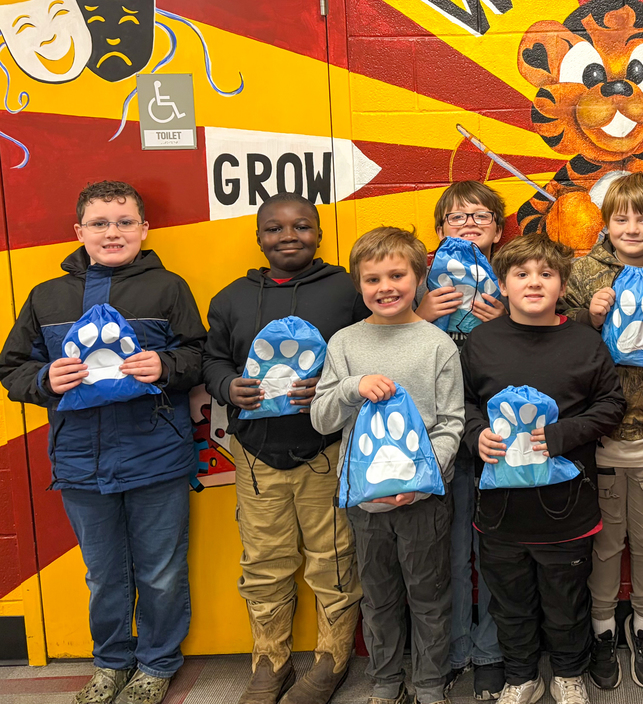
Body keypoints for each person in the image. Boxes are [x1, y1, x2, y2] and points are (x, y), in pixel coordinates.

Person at [0, 181, 206, 704]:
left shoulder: (168, 287)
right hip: (78, 460)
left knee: (161, 571)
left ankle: (158, 664)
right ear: (79, 232)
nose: (112, 232)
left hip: (155, 454)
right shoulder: (47, 296)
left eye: (123, 222)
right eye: (100, 223)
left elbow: (200, 356)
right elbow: (12, 369)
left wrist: (166, 365)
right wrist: (47, 379)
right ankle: (111, 662)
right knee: (104, 574)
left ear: (143, 228)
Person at [203, 193, 368, 704]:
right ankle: (269, 661)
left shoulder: (347, 290)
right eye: (274, 228)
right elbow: (211, 361)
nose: (288, 235)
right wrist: (227, 386)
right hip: (256, 458)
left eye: (301, 226)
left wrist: (333, 381)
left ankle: (330, 661)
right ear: (259, 238)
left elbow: (374, 345)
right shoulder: (231, 298)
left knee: (334, 558)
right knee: (265, 561)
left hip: (327, 450)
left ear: (319, 233)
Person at [462, 233, 626, 704]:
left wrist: (562, 435)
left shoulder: (584, 342)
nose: (534, 282)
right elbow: (465, 404)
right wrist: (476, 435)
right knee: (509, 602)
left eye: (546, 274)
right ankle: (521, 676)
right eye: (521, 274)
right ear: (503, 284)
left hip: (565, 508)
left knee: (565, 599)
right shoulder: (481, 342)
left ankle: (569, 674)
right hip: (500, 508)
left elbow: (611, 404)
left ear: (562, 284)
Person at [310, 227, 464, 704]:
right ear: (359, 284)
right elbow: (320, 418)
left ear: (420, 278)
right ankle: (384, 681)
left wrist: (421, 481)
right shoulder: (344, 343)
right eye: (373, 278)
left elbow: (451, 424)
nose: (386, 287)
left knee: (429, 594)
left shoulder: (438, 344)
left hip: (424, 500)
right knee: (378, 595)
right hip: (364, 499)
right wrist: (352, 387)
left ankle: (432, 682)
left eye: (397, 274)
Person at [562, 172, 643, 689]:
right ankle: (600, 632)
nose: (632, 227)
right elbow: (556, 340)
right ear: (607, 222)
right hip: (600, 436)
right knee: (604, 543)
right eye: (622, 217)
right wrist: (585, 318)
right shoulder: (584, 272)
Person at [417, 181, 506, 700]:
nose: (469, 224)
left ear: (498, 230)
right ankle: (452, 650)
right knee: (447, 552)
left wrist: (510, 322)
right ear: (439, 230)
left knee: (492, 550)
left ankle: (491, 650)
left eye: (480, 216)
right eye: (456, 217)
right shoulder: (420, 285)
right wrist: (423, 315)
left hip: (495, 437)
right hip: (438, 438)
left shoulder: (515, 281)